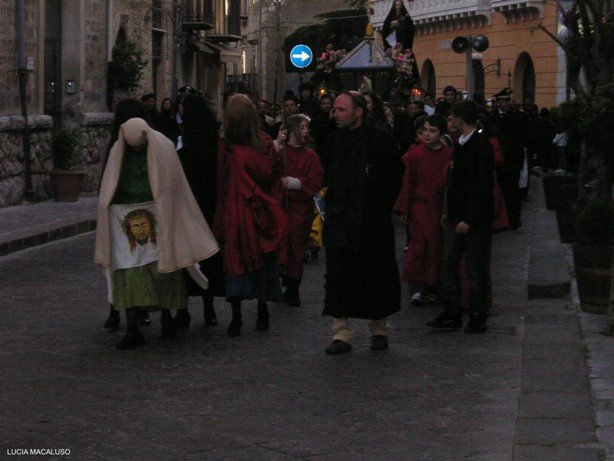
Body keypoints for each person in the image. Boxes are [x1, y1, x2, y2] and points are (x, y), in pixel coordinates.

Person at [95, 118, 219, 350]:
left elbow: (172, 183)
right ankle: (132, 327)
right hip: (123, 219)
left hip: (157, 216)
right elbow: (111, 183)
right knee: (128, 271)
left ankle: (167, 318)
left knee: (164, 269)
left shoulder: (162, 146)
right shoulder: (117, 151)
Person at [321, 91, 402, 354]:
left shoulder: (379, 140)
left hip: (371, 220)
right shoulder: (333, 141)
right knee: (339, 275)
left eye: (341, 110)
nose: (335, 114)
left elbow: (393, 178)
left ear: (358, 112)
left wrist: (378, 204)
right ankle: (341, 331)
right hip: (341, 219)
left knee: (375, 273)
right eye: (334, 109)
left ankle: (379, 328)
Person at [213, 94, 288, 337]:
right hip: (258, 209)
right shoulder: (264, 142)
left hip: (235, 209)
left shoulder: (226, 146)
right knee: (261, 258)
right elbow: (272, 174)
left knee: (235, 258)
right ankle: (262, 308)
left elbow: (220, 176)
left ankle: (236, 316)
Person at [427, 100, 495, 334]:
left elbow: (481, 186)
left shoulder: (479, 146)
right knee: (448, 264)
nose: (449, 122)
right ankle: (452, 311)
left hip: (473, 220)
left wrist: (469, 218)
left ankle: (478, 315)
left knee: (474, 269)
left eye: (451, 118)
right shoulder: (461, 144)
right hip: (455, 217)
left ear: (459, 119)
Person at [174, 94, 225, 329]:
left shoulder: (185, 141)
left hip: (189, 207)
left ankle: (183, 309)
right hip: (210, 207)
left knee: (186, 259)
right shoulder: (215, 139)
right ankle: (209, 307)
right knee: (207, 258)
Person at [101, 98, 149, 332]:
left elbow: (105, 181)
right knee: (144, 261)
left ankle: (116, 310)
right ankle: (141, 308)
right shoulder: (153, 145)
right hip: (145, 211)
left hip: (120, 212)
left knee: (119, 262)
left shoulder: (114, 146)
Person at [394, 114, 452, 306]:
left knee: (435, 247)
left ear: (441, 133)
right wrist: (404, 209)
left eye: (432, 131)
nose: (427, 135)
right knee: (418, 246)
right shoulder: (414, 155)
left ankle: (432, 286)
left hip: (438, 208)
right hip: (419, 206)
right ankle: (417, 287)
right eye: (425, 130)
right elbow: (407, 182)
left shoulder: (449, 155)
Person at [272, 114, 324, 306]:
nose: (305, 132)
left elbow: (316, 179)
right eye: (302, 128)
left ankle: (293, 287)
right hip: (280, 206)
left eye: (306, 128)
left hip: (299, 209)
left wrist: (297, 184)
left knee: (295, 247)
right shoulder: (281, 152)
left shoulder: (310, 156)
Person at [490, 88, 529, 229]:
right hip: (497, 160)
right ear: (497, 102)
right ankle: (500, 219)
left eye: (507, 100)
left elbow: (525, 136)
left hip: (513, 159)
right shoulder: (491, 117)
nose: (505, 103)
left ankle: (514, 218)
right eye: (501, 101)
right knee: (498, 190)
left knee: (512, 190)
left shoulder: (518, 117)